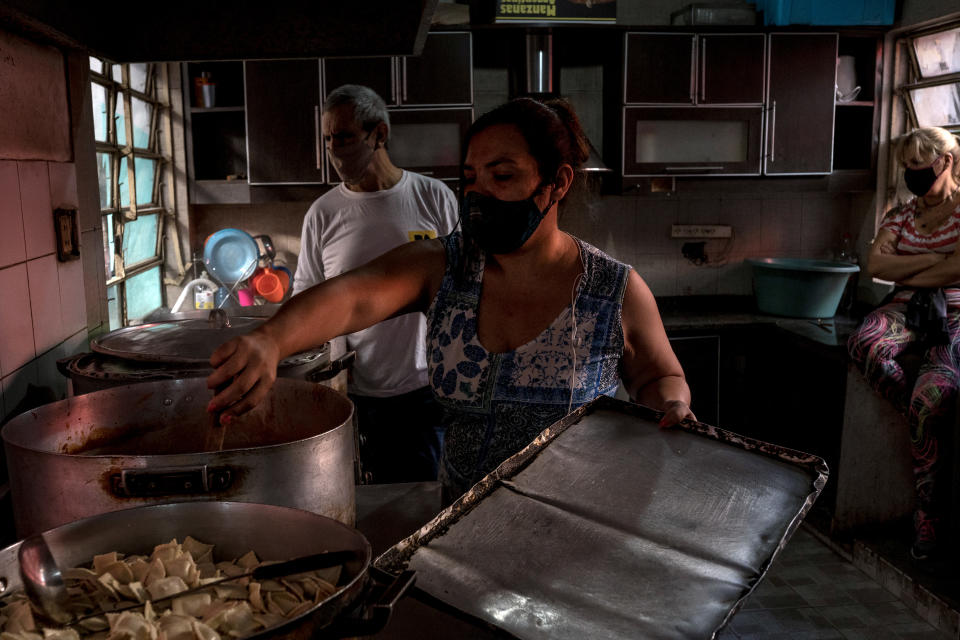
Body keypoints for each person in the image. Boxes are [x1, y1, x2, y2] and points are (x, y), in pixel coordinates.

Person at [208, 97, 695, 502]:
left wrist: (671, 402)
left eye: (502, 177)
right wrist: (271, 340)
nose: (479, 193)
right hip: (463, 526)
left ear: (557, 183)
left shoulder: (613, 289)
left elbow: (658, 376)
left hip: (577, 527)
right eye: (471, 177)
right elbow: (352, 297)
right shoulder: (444, 266)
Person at [293, 84, 458, 483]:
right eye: (329, 138)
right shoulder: (324, 214)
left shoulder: (432, 198)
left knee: (422, 503)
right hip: (357, 397)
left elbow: (465, 290)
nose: (334, 149)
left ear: (378, 134)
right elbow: (305, 303)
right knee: (367, 504)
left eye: (345, 137)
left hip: (427, 392)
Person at [847, 126, 960, 561]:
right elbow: (876, 264)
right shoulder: (899, 214)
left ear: (945, 161)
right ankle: (914, 421)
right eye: (907, 166)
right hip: (905, 308)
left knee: (929, 399)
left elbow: (957, 273)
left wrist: (911, 267)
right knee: (864, 345)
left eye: (920, 165)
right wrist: (938, 260)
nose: (912, 173)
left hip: (955, 313)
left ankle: (927, 514)